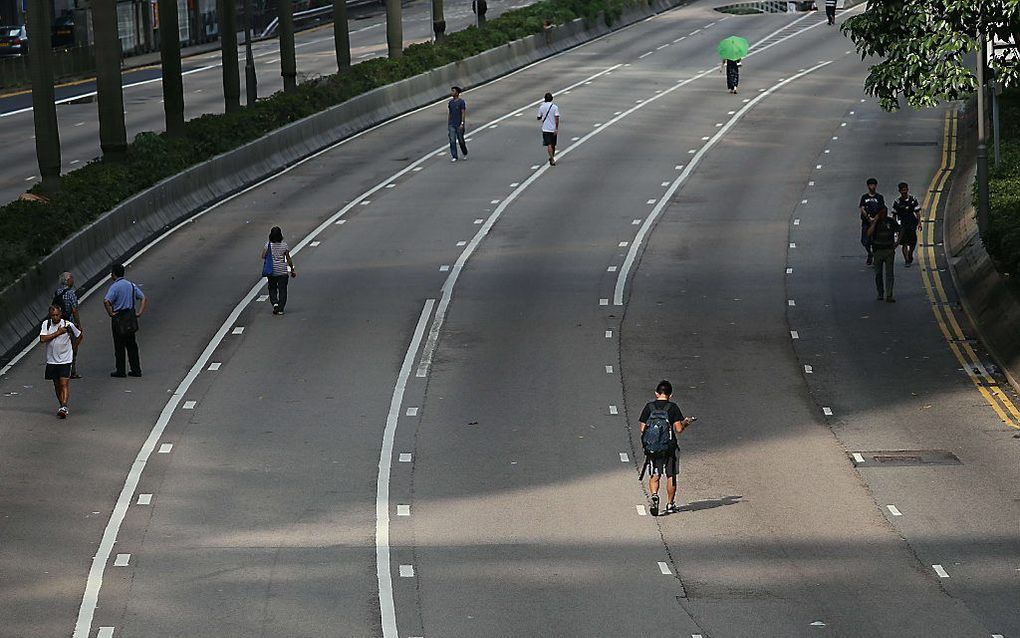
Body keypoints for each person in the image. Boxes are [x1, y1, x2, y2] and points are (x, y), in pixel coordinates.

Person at [638, 380, 695, 516]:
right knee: (671, 475)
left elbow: (642, 428)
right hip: (669, 448)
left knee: (655, 474)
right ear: (671, 395)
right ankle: (670, 504)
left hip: (654, 449)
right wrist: (686, 422)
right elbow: (679, 429)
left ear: (656, 393)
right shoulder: (672, 407)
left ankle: (654, 495)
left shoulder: (649, 407)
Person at [103, 263, 147, 377]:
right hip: (130, 317)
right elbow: (143, 298)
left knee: (119, 346)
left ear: (114, 274)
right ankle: (136, 369)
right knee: (132, 344)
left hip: (119, 318)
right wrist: (139, 312)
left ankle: (121, 370)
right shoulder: (131, 285)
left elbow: (106, 301)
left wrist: (111, 313)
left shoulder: (114, 287)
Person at [40, 303, 83, 418]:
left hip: (65, 359)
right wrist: (57, 333)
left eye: (57, 315)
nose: (55, 317)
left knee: (64, 383)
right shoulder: (46, 324)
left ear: (60, 314)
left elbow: (79, 335)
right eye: (53, 315)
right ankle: (62, 405)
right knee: (57, 385)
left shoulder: (68, 324)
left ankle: (64, 406)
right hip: (52, 360)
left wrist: (73, 348)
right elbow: (42, 339)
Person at [261, 227, 297, 315]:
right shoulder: (284, 245)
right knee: (283, 290)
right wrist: (292, 269)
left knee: (272, 288)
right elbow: (288, 258)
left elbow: (263, 256)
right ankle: (281, 308)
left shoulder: (268, 245)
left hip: (272, 271)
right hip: (282, 271)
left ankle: (275, 303)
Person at [53, 271, 83, 378]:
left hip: (59, 325)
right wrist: (79, 325)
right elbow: (74, 310)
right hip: (69, 325)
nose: (73, 279)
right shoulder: (71, 293)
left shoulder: (57, 292)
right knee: (73, 348)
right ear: (68, 280)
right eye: (71, 277)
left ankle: (59, 370)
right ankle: (71, 371)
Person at [868, 206, 900, 302]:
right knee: (878, 273)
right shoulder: (875, 223)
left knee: (889, 273)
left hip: (889, 250)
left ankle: (889, 294)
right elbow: (869, 234)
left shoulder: (890, 221)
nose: (884, 215)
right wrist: (875, 221)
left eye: (885, 212)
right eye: (881, 213)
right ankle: (880, 293)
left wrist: (897, 242)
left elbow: (900, 229)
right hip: (878, 250)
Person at [892, 182, 922, 267]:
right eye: (902, 191)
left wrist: (919, 223)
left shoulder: (913, 200)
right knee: (904, 242)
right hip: (902, 224)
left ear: (908, 189)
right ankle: (907, 260)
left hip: (912, 223)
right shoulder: (897, 202)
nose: (904, 192)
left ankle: (910, 253)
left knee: (913, 242)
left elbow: (917, 212)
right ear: (900, 191)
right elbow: (894, 214)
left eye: (905, 190)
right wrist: (894, 226)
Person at [859, 178, 885, 265]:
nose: (872, 187)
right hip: (867, 222)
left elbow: (882, 209)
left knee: (875, 241)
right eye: (870, 185)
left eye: (873, 185)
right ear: (867, 186)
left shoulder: (879, 197)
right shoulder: (864, 197)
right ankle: (870, 253)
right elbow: (862, 208)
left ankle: (875, 257)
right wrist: (867, 217)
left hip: (877, 222)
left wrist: (876, 219)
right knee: (865, 240)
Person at [537, 92, 560, 166]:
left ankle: (551, 158)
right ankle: (552, 157)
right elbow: (557, 118)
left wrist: (541, 117)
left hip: (545, 128)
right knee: (553, 144)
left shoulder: (542, 107)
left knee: (549, 144)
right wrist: (556, 128)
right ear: (552, 99)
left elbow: (538, 117)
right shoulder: (555, 107)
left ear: (545, 99)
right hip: (553, 128)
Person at [447, 86, 468, 162]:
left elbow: (463, 112)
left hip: (459, 124)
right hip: (452, 124)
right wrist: (449, 122)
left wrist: (462, 123)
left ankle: (464, 152)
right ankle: (454, 156)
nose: (452, 92)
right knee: (452, 140)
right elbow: (450, 112)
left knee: (461, 140)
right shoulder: (450, 102)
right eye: (451, 91)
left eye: (453, 91)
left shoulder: (461, 102)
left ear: (457, 93)